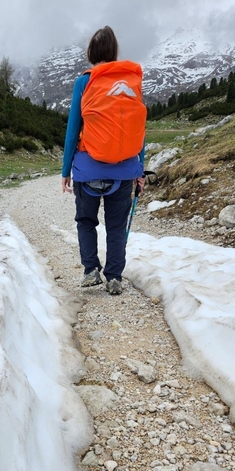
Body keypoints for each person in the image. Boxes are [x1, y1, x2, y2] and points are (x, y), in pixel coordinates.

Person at [61, 26, 146, 295]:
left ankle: (90, 271)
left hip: (87, 169)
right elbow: (137, 130)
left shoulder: (84, 81)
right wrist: (139, 169)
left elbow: (73, 129)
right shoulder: (131, 82)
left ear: (90, 53)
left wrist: (66, 170)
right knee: (116, 226)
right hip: (124, 170)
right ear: (114, 52)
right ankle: (114, 277)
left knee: (86, 221)